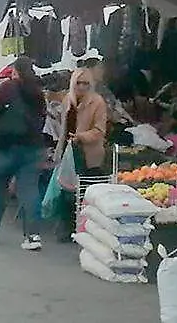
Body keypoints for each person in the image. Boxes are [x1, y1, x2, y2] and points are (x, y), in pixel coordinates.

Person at [0, 56, 47, 251]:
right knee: (29, 190)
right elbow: (42, 117)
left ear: (15, 71)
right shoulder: (37, 92)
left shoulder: (7, 88)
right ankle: (33, 236)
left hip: (3, 145)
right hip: (31, 147)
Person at [55, 67, 110, 240]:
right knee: (66, 191)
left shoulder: (97, 102)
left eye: (86, 83)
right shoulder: (68, 100)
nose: (82, 87)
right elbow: (63, 128)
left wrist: (81, 137)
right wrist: (59, 149)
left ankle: (84, 229)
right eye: (78, 83)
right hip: (68, 152)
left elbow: (100, 130)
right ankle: (66, 228)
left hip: (89, 154)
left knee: (85, 193)